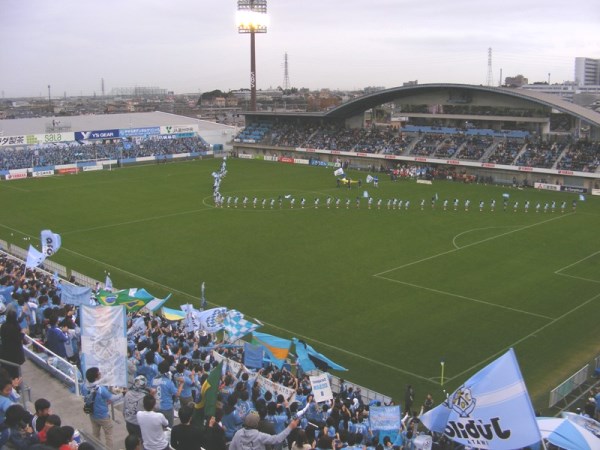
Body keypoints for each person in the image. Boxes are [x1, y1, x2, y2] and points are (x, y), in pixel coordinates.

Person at [83, 367, 123, 449]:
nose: (100, 374)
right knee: (108, 435)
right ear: (96, 377)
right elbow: (112, 398)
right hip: (103, 415)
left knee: (95, 434)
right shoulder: (100, 389)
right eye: (99, 373)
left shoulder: (84, 386)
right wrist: (122, 394)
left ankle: (95, 447)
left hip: (92, 414)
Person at [229, 413, 299, 450]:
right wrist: (290, 427)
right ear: (257, 424)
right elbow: (277, 439)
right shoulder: (260, 436)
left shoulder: (238, 434)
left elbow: (231, 448)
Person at [152, 360, 184, 427]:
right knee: (169, 428)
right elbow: (177, 394)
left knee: (158, 427)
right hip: (167, 408)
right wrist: (181, 384)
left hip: (156, 407)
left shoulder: (153, 380)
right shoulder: (168, 382)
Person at [0, 309, 25, 379]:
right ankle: (17, 387)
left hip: (5, 351)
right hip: (14, 354)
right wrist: (22, 333)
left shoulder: (3, 326)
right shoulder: (15, 327)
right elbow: (19, 338)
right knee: (15, 373)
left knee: (7, 371)